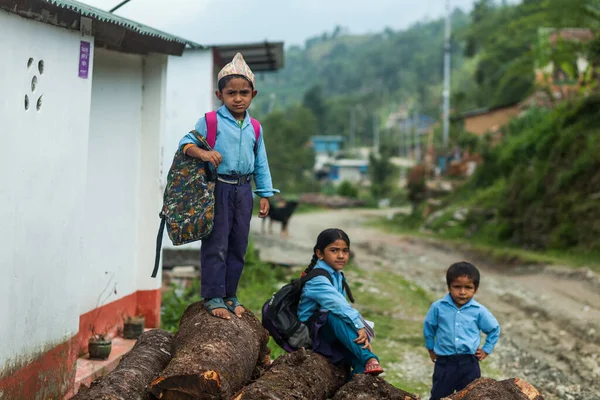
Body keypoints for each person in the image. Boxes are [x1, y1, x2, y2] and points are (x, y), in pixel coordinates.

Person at [178, 53, 278, 320]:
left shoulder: (255, 127)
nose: (238, 98)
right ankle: (213, 296)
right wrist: (204, 154)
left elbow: (261, 162)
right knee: (216, 243)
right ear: (219, 94)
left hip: (244, 191)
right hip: (218, 189)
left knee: (238, 244)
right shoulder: (211, 121)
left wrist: (265, 194)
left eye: (243, 92)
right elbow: (185, 144)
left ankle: (230, 294)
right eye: (231, 92)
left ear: (253, 94)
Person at [298, 228, 384, 376]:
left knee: (349, 336)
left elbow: (342, 307)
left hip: (328, 330)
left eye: (345, 251)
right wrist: (358, 325)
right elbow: (337, 305)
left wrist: (357, 326)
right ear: (320, 254)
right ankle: (369, 358)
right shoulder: (317, 279)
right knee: (333, 315)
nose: (341, 256)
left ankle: (359, 377)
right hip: (309, 334)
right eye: (334, 250)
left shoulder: (337, 275)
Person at [423, 261, 501, 400]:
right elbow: (429, 327)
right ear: (449, 287)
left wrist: (486, 349)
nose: (462, 292)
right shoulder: (438, 307)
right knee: (439, 395)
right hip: (445, 363)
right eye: (457, 287)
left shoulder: (479, 311)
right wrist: (430, 348)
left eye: (468, 287)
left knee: (471, 396)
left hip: (469, 363)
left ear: (475, 289)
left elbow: (494, 329)